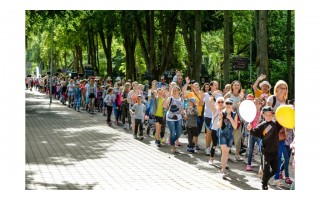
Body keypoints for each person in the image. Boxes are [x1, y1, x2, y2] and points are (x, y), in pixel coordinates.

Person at [247, 106, 282, 190]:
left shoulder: (275, 125)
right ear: (263, 115)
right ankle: (264, 185)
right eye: (267, 115)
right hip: (265, 153)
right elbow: (254, 132)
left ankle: (264, 178)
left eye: (270, 114)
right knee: (266, 171)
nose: (269, 116)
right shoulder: (261, 125)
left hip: (275, 152)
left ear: (273, 115)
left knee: (275, 169)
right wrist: (250, 129)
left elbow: (283, 121)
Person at [267, 80, 289, 187]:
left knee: (279, 156)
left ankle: (276, 178)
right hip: (271, 131)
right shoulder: (272, 99)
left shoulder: (285, 101)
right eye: (280, 87)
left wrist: (286, 130)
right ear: (276, 88)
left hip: (281, 132)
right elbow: (265, 113)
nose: (282, 90)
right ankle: (265, 171)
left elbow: (286, 118)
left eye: (284, 88)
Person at [217, 98, 238, 178]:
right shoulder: (221, 113)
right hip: (222, 134)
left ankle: (223, 168)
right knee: (224, 152)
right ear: (224, 104)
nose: (228, 105)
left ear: (232, 105)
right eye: (227, 103)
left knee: (226, 153)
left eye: (230, 103)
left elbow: (235, 127)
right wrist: (221, 118)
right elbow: (219, 126)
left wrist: (230, 118)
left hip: (230, 135)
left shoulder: (234, 114)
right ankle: (223, 169)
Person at [224, 80, 244, 161]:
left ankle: (237, 154)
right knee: (228, 135)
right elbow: (222, 104)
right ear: (232, 86)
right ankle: (226, 154)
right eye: (235, 85)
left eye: (238, 85)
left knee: (237, 137)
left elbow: (244, 106)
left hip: (238, 118)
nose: (236, 86)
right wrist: (230, 108)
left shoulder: (241, 95)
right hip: (228, 118)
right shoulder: (228, 94)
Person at [164, 85, 185, 153]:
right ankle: (173, 146)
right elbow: (164, 106)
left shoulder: (181, 99)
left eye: (176, 90)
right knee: (172, 133)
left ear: (179, 91)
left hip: (179, 117)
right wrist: (167, 96)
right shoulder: (170, 98)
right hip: (170, 118)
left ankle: (171, 141)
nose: (175, 91)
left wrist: (183, 113)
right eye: (174, 90)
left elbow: (182, 109)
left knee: (179, 132)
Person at [245, 94, 262, 171]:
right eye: (254, 103)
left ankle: (262, 165)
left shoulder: (262, 113)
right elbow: (248, 122)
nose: (255, 105)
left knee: (261, 149)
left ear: (260, 104)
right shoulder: (251, 112)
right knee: (250, 149)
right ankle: (249, 164)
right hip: (252, 133)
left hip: (259, 134)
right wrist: (248, 126)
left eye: (257, 103)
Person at [208, 96, 224, 165]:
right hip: (214, 129)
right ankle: (211, 159)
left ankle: (223, 162)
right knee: (214, 144)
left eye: (222, 102)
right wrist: (213, 94)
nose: (220, 103)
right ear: (216, 103)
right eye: (219, 102)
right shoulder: (215, 109)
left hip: (222, 130)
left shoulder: (225, 110)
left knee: (223, 146)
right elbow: (210, 102)